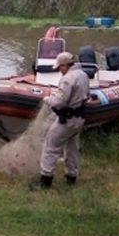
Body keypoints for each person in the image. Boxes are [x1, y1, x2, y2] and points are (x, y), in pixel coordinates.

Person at [34, 51, 90, 189]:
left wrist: (47, 99)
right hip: (79, 119)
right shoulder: (83, 75)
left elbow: (59, 102)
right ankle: (71, 177)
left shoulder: (67, 79)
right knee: (72, 148)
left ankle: (45, 181)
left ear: (66, 65)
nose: (59, 70)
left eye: (60, 67)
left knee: (50, 146)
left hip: (67, 120)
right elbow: (86, 95)